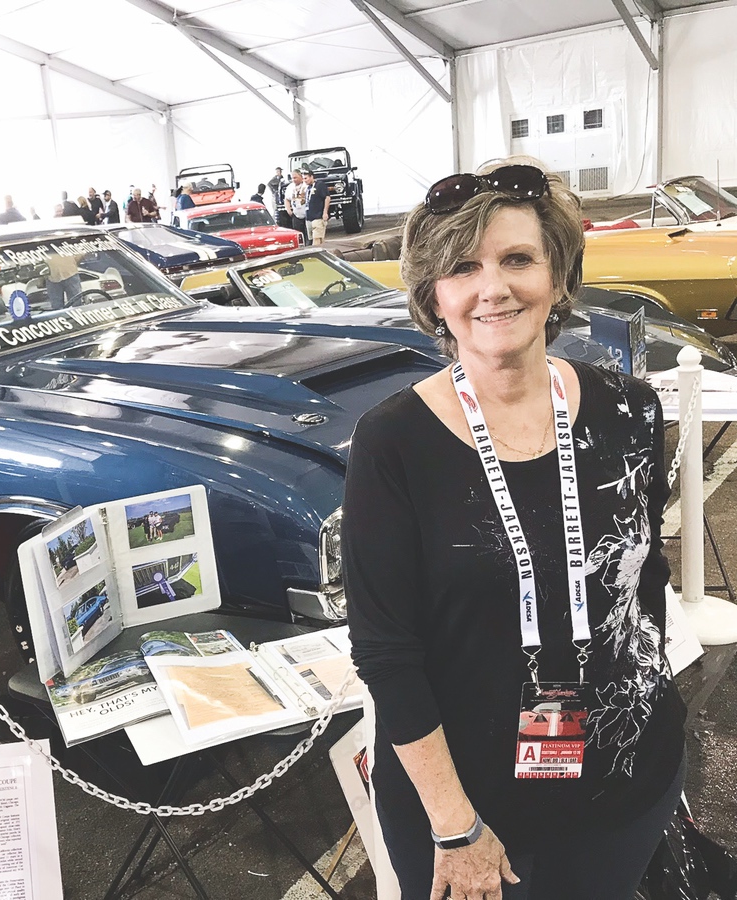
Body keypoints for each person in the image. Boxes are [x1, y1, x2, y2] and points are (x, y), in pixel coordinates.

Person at [343, 159, 686, 900]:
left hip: (626, 786)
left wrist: (659, 725)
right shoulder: (393, 443)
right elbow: (385, 656)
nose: (492, 287)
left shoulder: (631, 409)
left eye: (518, 258)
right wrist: (455, 827)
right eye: (462, 267)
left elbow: (643, 578)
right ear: (435, 296)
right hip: (474, 818)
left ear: (559, 275)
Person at [303, 171, 329, 246]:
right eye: (303, 179)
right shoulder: (307, 188)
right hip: (309, 217)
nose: (305, 180)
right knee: (311, 239)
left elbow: (327, 197)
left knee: (317, 239)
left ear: (311, 177)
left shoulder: (319, 185)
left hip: (318, 216)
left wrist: (325, 212)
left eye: (306, 178)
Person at [286, 170, 308, 238]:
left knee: (309, 235)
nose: (293, 180)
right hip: (296, 214)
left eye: (295, 178)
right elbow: (287, 199)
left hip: (307, 213)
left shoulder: (306, 185)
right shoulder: (290, 187)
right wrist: (288, 210)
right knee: (299, 235)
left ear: (301, 177)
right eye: (292, 178)